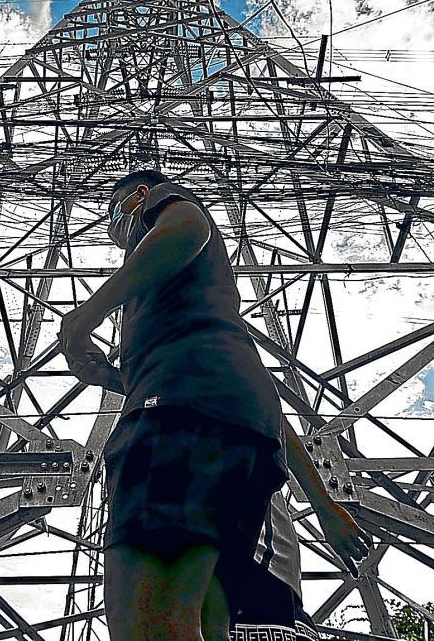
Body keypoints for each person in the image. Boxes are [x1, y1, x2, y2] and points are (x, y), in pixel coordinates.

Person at [58, 169, 370, 640]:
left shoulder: (163, 212)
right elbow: (258, 402)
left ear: (139, 198)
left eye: (113, 216)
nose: (112, 229)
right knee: (203, 625)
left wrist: (85, 316)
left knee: (145, 627)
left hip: (181, 426)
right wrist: (323, 506)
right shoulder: (186, 302)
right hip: (239, 433)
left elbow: (187, 226)